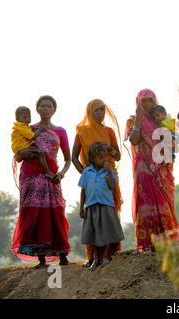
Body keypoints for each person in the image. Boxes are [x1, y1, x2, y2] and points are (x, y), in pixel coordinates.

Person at [11, 95, 72, 268]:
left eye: (49, 106)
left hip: (52, 177)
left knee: (55, 214)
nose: (45, 109)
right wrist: (22, 154)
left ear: (54, 110)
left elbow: (67, 159)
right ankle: (42, 259)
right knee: (35, 214)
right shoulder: (27, 129)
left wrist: (61, 174)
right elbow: (18, 154)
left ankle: (63, 255)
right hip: (31, 178)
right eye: (42, 106)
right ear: (37, 109)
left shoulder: (60, 131)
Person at [125, 89, 179, 251]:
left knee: (163, 201)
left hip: (162, 168)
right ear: (138, 104)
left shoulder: (161, 119)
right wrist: (138, 120)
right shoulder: (132, 120)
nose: (148, 105)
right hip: (143, 168)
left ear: (155, 102)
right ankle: (148, 243)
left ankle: (168, 242)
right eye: (144, 102)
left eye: (150, 101)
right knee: (146, 202)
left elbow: (174, 145)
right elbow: (134, 141)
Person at [72, 98, 123, 267]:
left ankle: (111, 255)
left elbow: (118, 156)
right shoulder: (81, 131)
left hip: (108, 176)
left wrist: (112, 153)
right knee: (91, 220)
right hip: (93, 180)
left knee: (110, 216)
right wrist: (86, 173)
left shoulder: (109, 131)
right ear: (90, 113)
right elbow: (74, 157)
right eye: (97, 111)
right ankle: (92, 257)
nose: (100, 113)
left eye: (102, 110)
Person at [79, 142, 125, 271]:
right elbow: (83, 190)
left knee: (107, 232)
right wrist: (81, 207)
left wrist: (109, 170)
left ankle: (105, 256)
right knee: (93, 234)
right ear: (92, 158)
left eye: (105, 157)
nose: (104, 160)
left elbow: (112, 185)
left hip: (106, 205)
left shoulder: (109, 170)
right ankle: (96, 259)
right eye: (101, 157)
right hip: (91, 206)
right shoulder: (87, 172)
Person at [11, 106, 55, 180]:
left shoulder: (24, 126)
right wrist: (40, 129)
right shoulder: (21, 127)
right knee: (40, 153)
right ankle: (47, 171)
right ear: (17, 119)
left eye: (29, 117)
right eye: (24, 117)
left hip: (21, 148)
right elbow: (33, 137)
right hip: (23, 149)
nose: (27, 119)